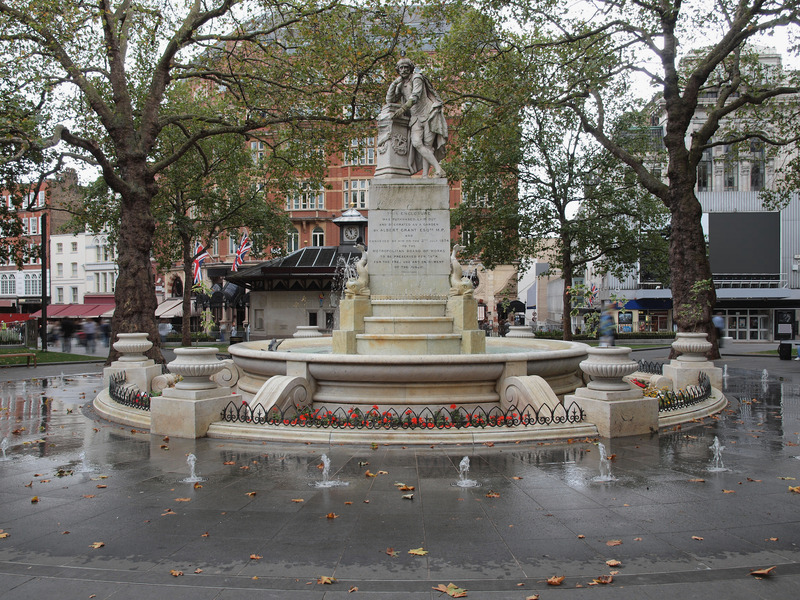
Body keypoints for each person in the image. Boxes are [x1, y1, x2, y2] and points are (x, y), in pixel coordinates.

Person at [386, 57, 448, 178]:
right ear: (398, 70)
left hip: (428, 114)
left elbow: (415, 96)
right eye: (401, 68)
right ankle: (439, 169)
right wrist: (394, 83)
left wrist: (402, 109)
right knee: (417, 143)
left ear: (410, 69)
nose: (404, 70)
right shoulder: (401, 85)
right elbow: (390, 99)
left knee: (428, 146)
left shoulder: (417, 78)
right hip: (415, 118)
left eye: (406, 67)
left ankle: (425, 176)